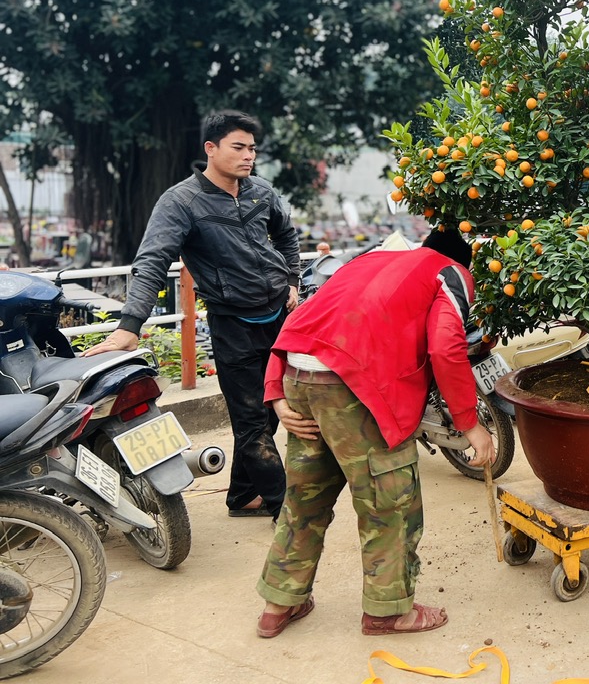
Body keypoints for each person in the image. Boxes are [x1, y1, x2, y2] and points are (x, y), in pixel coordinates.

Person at [255, 228, 495, 639]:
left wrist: (276, 391)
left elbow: (300, 319)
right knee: (390, 502)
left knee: (304, 498)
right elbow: (444, 347)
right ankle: (388, 612)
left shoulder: (367, 261)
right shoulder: (451, 273)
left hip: (299, 377)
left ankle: (280, 602)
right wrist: (472, 426)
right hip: (355, 389)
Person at [86, 110, 299, 519]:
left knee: (270, 413)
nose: (248, 156)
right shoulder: (181, 201)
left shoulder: (261, 192)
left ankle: (241, 497)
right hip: (233, 324)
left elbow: (287, 235)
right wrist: (131, 325)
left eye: (252, 148)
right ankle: (286, 510)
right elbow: (151, 262)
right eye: (238, 147)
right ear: (211, 149)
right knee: (252, 421)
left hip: (278, 319)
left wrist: (292, 280)